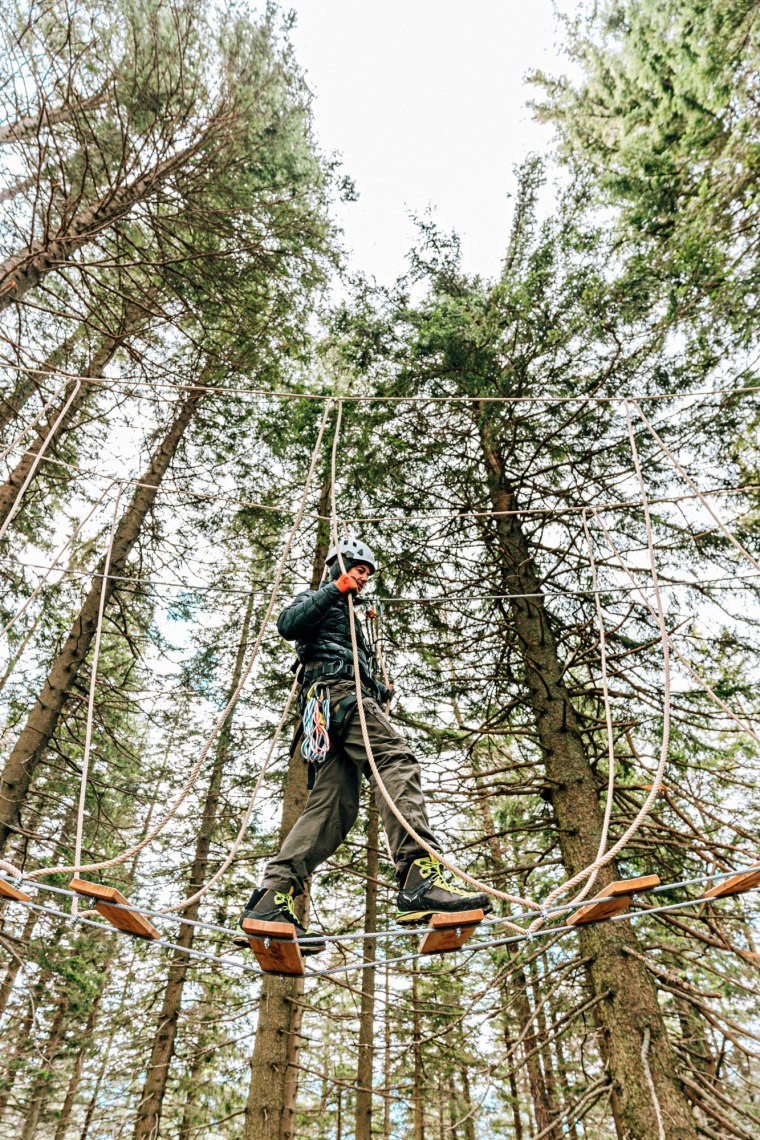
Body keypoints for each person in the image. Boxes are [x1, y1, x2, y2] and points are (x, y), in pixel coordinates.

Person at [239, 535, 492, 954]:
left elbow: (338, 651)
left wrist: (378, 686)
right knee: (397, 760)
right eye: (358, 570)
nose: (362, 579)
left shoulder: (351, 616)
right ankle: (418, 876)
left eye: (366, 575)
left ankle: (270, 898)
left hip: (333, 705)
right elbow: (289, 624)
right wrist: (335, 590)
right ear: (338, 566)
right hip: (338, 696)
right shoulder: (323, 598)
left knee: (334, 805)